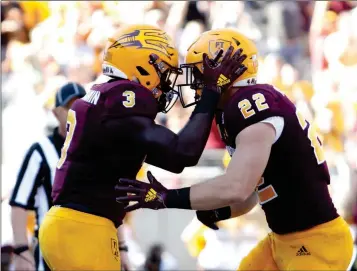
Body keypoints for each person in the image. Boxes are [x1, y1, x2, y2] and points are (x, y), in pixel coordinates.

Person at [116, 28, 355, 271]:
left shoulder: (250, 103)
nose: (198, 83)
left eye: (201, 72)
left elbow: (236, 187)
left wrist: (167, 197)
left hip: (316, 242)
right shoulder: (237, 109)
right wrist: (218, 211)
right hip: (283, 241)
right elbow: (250, 193)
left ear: (227, 70)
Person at [39, 24, 247, 271]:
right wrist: (211, 93)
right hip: (82, 227)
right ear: (142, 65)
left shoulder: (106, 98)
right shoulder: (124, 95)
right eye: (163, 71)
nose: (166, 84)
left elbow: (172, 159)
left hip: (78, 225)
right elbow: (183, 153)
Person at [9, 82, 86, 271]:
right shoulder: (40, 151)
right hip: (52, 255)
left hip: (91, 250)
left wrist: (122, 246)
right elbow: (19, 203)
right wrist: (21, 250)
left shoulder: (99, 150)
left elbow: (108, 204)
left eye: (81, 106)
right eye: (70, 107)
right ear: (55, 113)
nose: (76, 112)